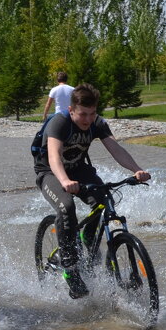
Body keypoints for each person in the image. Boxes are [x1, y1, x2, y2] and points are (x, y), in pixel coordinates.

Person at [35, 83, 150, 297]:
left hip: (79, 169)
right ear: (71, 110)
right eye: (83, 114)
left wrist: (137, 170)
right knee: (66, 206)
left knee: (105, 199)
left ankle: (88, 242)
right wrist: (64, 181)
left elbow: (116, 148)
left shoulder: (97, 123)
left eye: (92, 113)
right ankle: (70, 267)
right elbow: (53, 156)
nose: (88, 119)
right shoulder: (60, 122)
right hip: (50, 172)